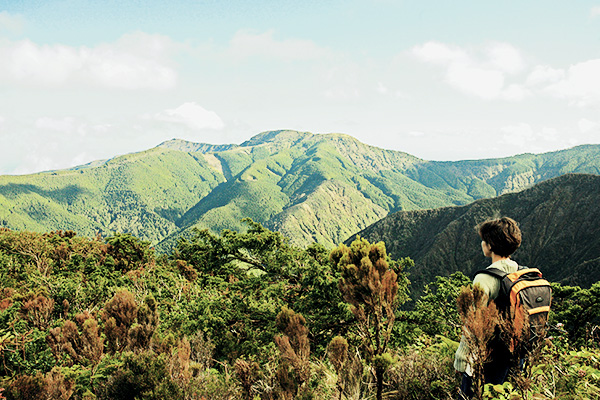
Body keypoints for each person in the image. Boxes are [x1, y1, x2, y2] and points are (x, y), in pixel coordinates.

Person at [455, 217, 522, 400]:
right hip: (517, 354)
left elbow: (473, 323)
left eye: (483, 240)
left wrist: (461, 358)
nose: (482, 243)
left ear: (490, 245)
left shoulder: (484, 279)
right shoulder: (520, 272)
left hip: (489, 358)